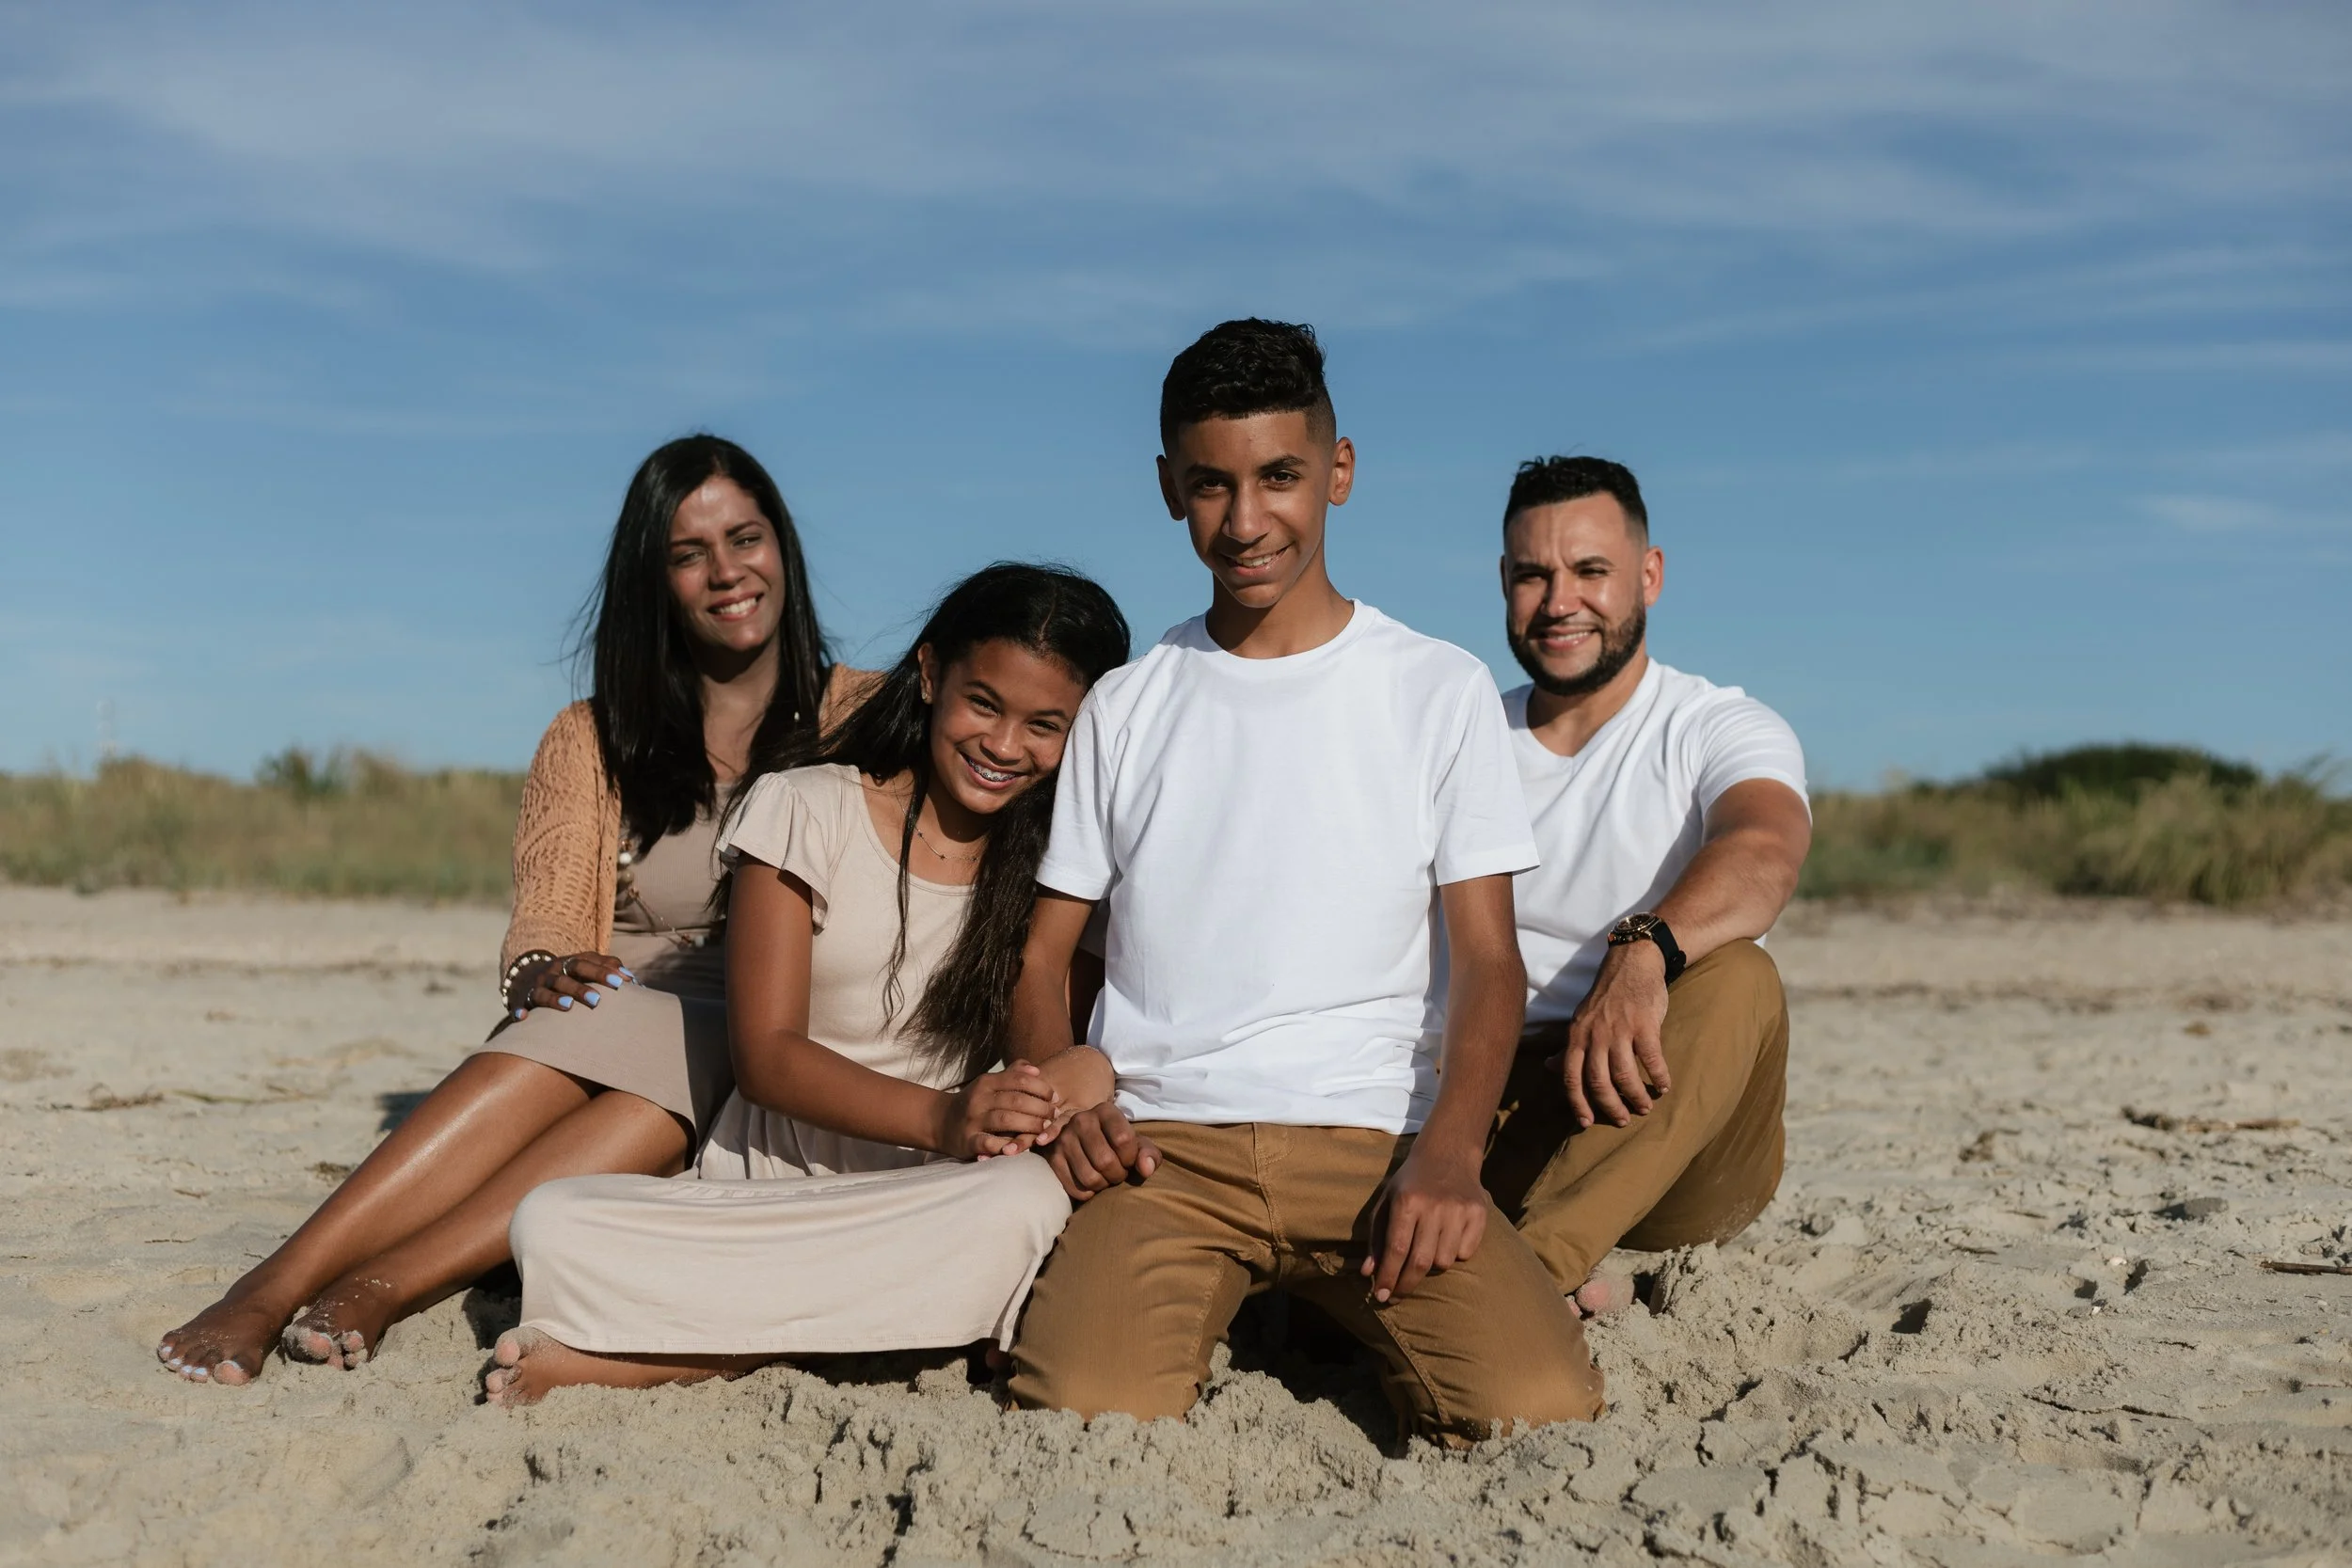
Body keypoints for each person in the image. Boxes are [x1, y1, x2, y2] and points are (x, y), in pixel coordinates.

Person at [1003, 319, 1603, 1447]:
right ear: (1168, 488)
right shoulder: (1129, 704)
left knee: (1540, 1410)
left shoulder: (1437, 687)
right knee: (1082, 1410)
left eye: (1279, 476)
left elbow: (1487, 958)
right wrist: (1065, 1093)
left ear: (1338, 470)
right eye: (1209, 486)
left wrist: (1450, 1158)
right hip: (1163, 1150)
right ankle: (1266, 1302)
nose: (1246, 520)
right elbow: (1044, 953)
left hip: (1375, 1141)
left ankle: (1319, 1310)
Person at [156, 435, 868, 1385]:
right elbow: (550, 903)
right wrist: (540, 964)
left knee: (697, 1042)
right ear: (652, 579)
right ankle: (271, 1281)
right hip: (615, 999)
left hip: (758, 1021)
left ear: (783, 545)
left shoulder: (867, 716)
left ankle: (390, 1277)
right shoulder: (591, 734)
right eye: (688, 553)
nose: (726, 572)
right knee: (573, 1012)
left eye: (745, 538)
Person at [482, 563, 1131, 1405]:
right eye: (984, 703)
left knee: (1022, 1206)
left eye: (1046, 724)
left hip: (938, 1192)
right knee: (552, 1222)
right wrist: (944, 1113)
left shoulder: (1065, 872)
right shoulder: (801, 808)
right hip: (769, 1187)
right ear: (931, 676)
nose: (1006, 746)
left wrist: (1071, 1081)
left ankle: (662, 1353)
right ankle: (890, 1326)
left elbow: (1066, 1041)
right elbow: (767, 1056)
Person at [1475, 455, 1810, 1317]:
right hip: (1493, 1112)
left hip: (1669, 1133)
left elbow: (1764, 848)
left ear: (1648, 575)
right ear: (1503, 582)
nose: (1560, 602)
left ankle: (1523, 1280)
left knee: (1742, 978)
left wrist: (1644, 949)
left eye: (1591, 571)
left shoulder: (1716, 725)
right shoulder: (1458, 734)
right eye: (1532, 575)